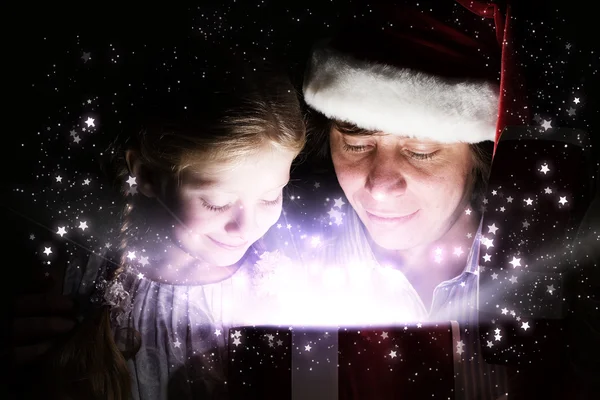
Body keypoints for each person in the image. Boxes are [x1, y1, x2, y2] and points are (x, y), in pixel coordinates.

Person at [9, 42, 306, 400]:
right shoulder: (75, 282)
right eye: (217, 203)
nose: (247, 226)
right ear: (146, 174)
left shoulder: (287, 287)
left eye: (271, 196)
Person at [300, 0, 525, 399]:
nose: (380, 185)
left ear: (478, 155)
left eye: (421, 151)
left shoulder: (552, 283)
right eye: (356, 144)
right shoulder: (286, 268)